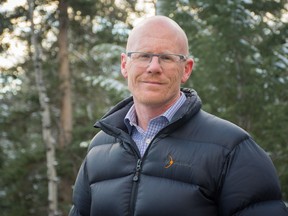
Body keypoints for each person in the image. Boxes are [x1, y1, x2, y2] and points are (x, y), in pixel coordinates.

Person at [69, 15, 288, 216]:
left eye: (166, 57)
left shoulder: (233, 149)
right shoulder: (99, 149)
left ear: (187, 69)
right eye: (144, 55)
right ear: (125, 65)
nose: (153, 67)